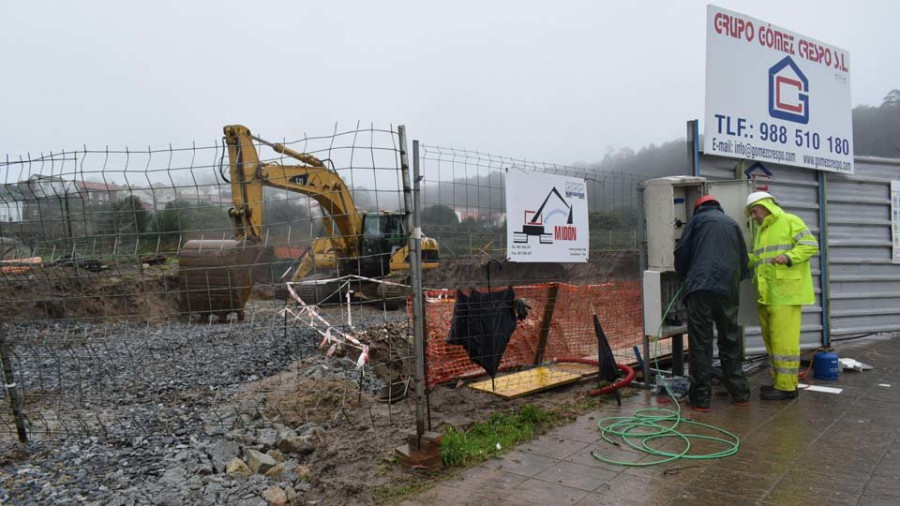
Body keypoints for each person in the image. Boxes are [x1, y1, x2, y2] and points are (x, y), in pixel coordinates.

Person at [675, 195, 751, 411]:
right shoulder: (732, 223)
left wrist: (685, 278)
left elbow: (682, 253)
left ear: (698, 208)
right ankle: (740, 393)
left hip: (700, 289)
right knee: (730, 339)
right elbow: (744, 261)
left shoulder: (696, 222)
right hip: (728, 290)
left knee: (701, 342)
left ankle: (700, 400)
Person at [745, 191, 819, 401]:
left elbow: (810, 245)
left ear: (767, 205)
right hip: (767, 294)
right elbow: (759, 261)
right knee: (772, 341)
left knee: (784, 342)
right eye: (751, 213)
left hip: (786, 294)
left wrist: (788, 257)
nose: (754, 216)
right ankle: (780, 382)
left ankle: (787, 388)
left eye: (754, 211)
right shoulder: (761, 232)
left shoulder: (790, 221)